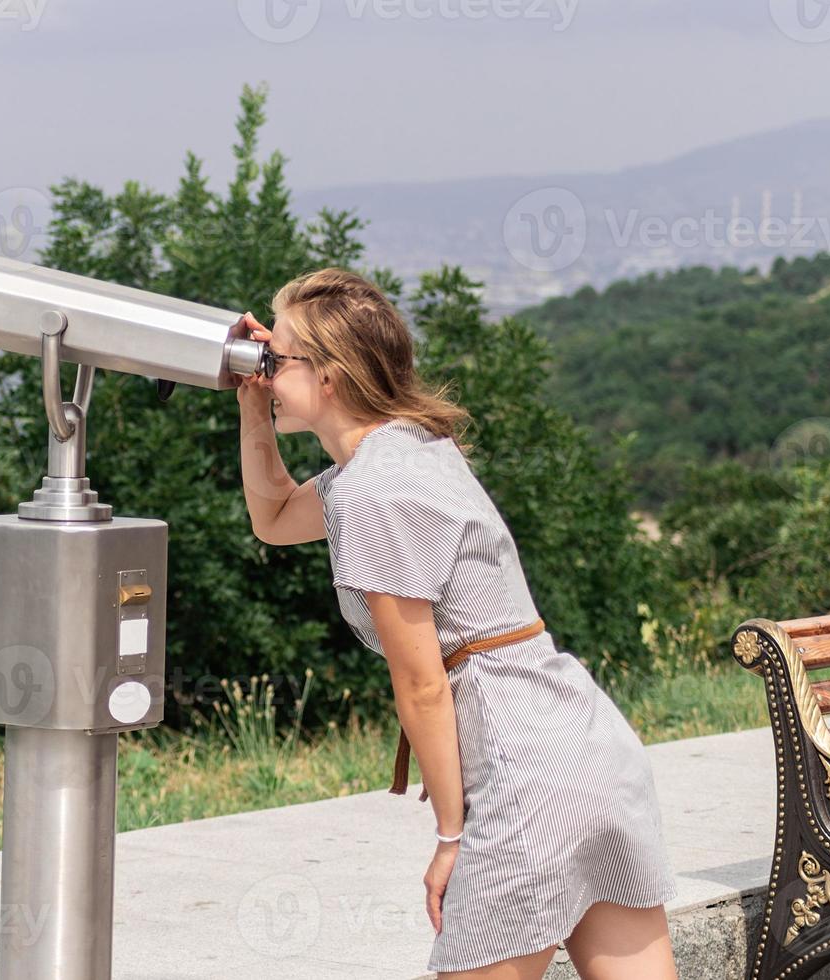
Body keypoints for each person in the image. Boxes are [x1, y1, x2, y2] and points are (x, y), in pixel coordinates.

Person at [233, 267, 680, 979]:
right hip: (586, 747)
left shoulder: (377, 489)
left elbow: (420, 685)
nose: (261, 366)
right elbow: (276, 517)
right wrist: (254, 405)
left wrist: (451, 836)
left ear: (331, 378)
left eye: (275, 357)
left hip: (523, 768)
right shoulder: (401, 452)